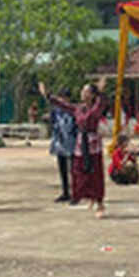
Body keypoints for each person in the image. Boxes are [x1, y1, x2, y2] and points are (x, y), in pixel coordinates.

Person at [40, 81, 106, 218]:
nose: (83, 93)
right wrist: (48, 95)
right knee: (78, 171)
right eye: (82, 91)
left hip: (92, 142)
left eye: (86, 91)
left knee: (95, 172)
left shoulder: (96, 107)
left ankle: (99, 202)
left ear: (92, 95)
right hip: (81, 143)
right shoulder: (78, 108)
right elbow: (63, 105)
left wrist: (100, 92)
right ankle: (88, 196)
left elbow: (102, 102)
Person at [48, 89, 77, 202]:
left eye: (65, 98)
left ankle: (75, 192)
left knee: (74, 169)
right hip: (60, 142)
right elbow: (52, 123)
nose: (63, 100)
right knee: (62, 168)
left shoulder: (73, 110)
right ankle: (65, 192)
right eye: (61, 98)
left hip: (72, 142)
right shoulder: (55, 111)